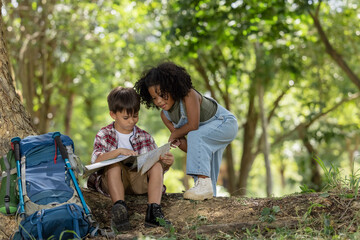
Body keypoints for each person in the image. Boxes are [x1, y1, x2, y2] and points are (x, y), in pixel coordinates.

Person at [134, 61, 238, 201]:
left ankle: (203, 185)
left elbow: (193, 125)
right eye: (154, 98)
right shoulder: (165, 116)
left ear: (172, 88)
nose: (158, 101)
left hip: (225, 124)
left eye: (162, 94)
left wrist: (175, 134)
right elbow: (190, 147)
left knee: (196, 134)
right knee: (207, 171)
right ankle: (206, 193)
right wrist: (174, 142)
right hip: (205, 135)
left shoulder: (189, 96)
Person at [87, 87, 174, 231]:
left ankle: (154, 213)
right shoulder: (104, 134)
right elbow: (96, 160)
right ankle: (120, 212)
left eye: (135, 116)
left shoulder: (144, 136)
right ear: (113, 114)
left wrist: (166, 163)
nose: (131, 121)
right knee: (113, 166)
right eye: (126, 118)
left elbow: (153, 167)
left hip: (137, 182)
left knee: (157, 166)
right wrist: (119, 152)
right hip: (111, 182)